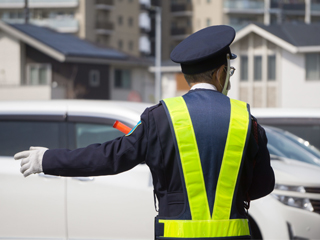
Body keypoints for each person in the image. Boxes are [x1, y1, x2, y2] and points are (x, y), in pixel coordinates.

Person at [14, 25, 274, 239]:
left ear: (187, 76)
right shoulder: (245, 120)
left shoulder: (160, 117)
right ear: (219, 74)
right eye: (229, 72)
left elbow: (110, 157)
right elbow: (263, 184)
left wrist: (47, 160)